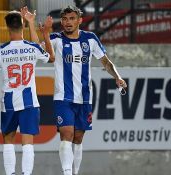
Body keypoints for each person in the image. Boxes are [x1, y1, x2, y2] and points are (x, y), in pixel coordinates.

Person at [37, 6, 127, 175]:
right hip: (63, 97)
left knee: (78, 138)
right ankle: (67, 173)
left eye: (72, 18)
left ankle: (75, 172)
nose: (68, 22)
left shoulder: (90, 39)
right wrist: (43, 33)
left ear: (80, 20)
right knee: (67, 134)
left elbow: (106, 62)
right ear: (61, 21)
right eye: (64, 19)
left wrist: (117, 77)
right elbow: (41, 53)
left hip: (85, 98)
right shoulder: (56, 39)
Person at [0, 10, 54, 175]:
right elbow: (51, 57)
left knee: (8, 140)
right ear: (23, 25)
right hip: (29, 101)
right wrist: (37, 28)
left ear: (7, 27)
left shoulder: (0, 50)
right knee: (27, 142)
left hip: (9, 100)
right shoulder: (32, 48)